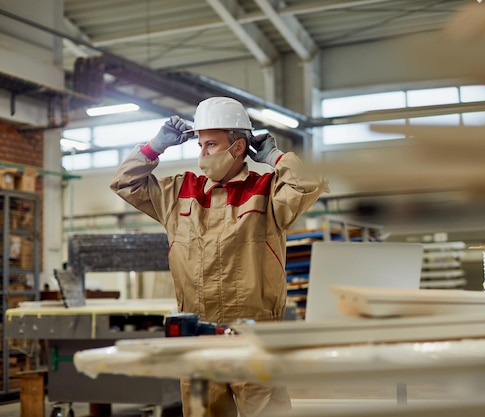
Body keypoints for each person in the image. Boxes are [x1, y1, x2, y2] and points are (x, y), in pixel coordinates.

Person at [110, 96, 329, 416]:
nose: (203, 153)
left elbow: (309, 183)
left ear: (238, 147)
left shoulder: (269, 192)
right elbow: (125, 183)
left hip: (256, 340)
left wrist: (277, 157)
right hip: (199, 341)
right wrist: (153, 148)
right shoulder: (178, 192)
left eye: (211, 144)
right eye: (199, 144)